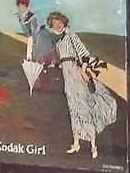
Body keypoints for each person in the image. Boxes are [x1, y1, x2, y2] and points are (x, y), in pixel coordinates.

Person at [48, 11, 118, 156]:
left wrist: (84, 70)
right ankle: (76, 143)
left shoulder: (71, 36)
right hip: (67, 77)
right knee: (73, 108)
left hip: (76, 73)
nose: (57, 24)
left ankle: (93, 145)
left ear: (64, 22)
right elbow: (61, 61)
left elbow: (84, 54)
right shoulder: (58, 42)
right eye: (54, 22)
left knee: (83, 107)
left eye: (59, 22)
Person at [15, 0, 51, 91]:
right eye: (19, 5)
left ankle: (39, 81)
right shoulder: (22, 16)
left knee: (36, 59)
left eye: (23, 5)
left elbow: (34, 30)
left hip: (38, 38)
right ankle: (33, 83)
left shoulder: (32, 16)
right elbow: (26, 31)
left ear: (26, 5)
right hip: (31, 39)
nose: (21, 7)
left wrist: (34, 41)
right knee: (30, 59)